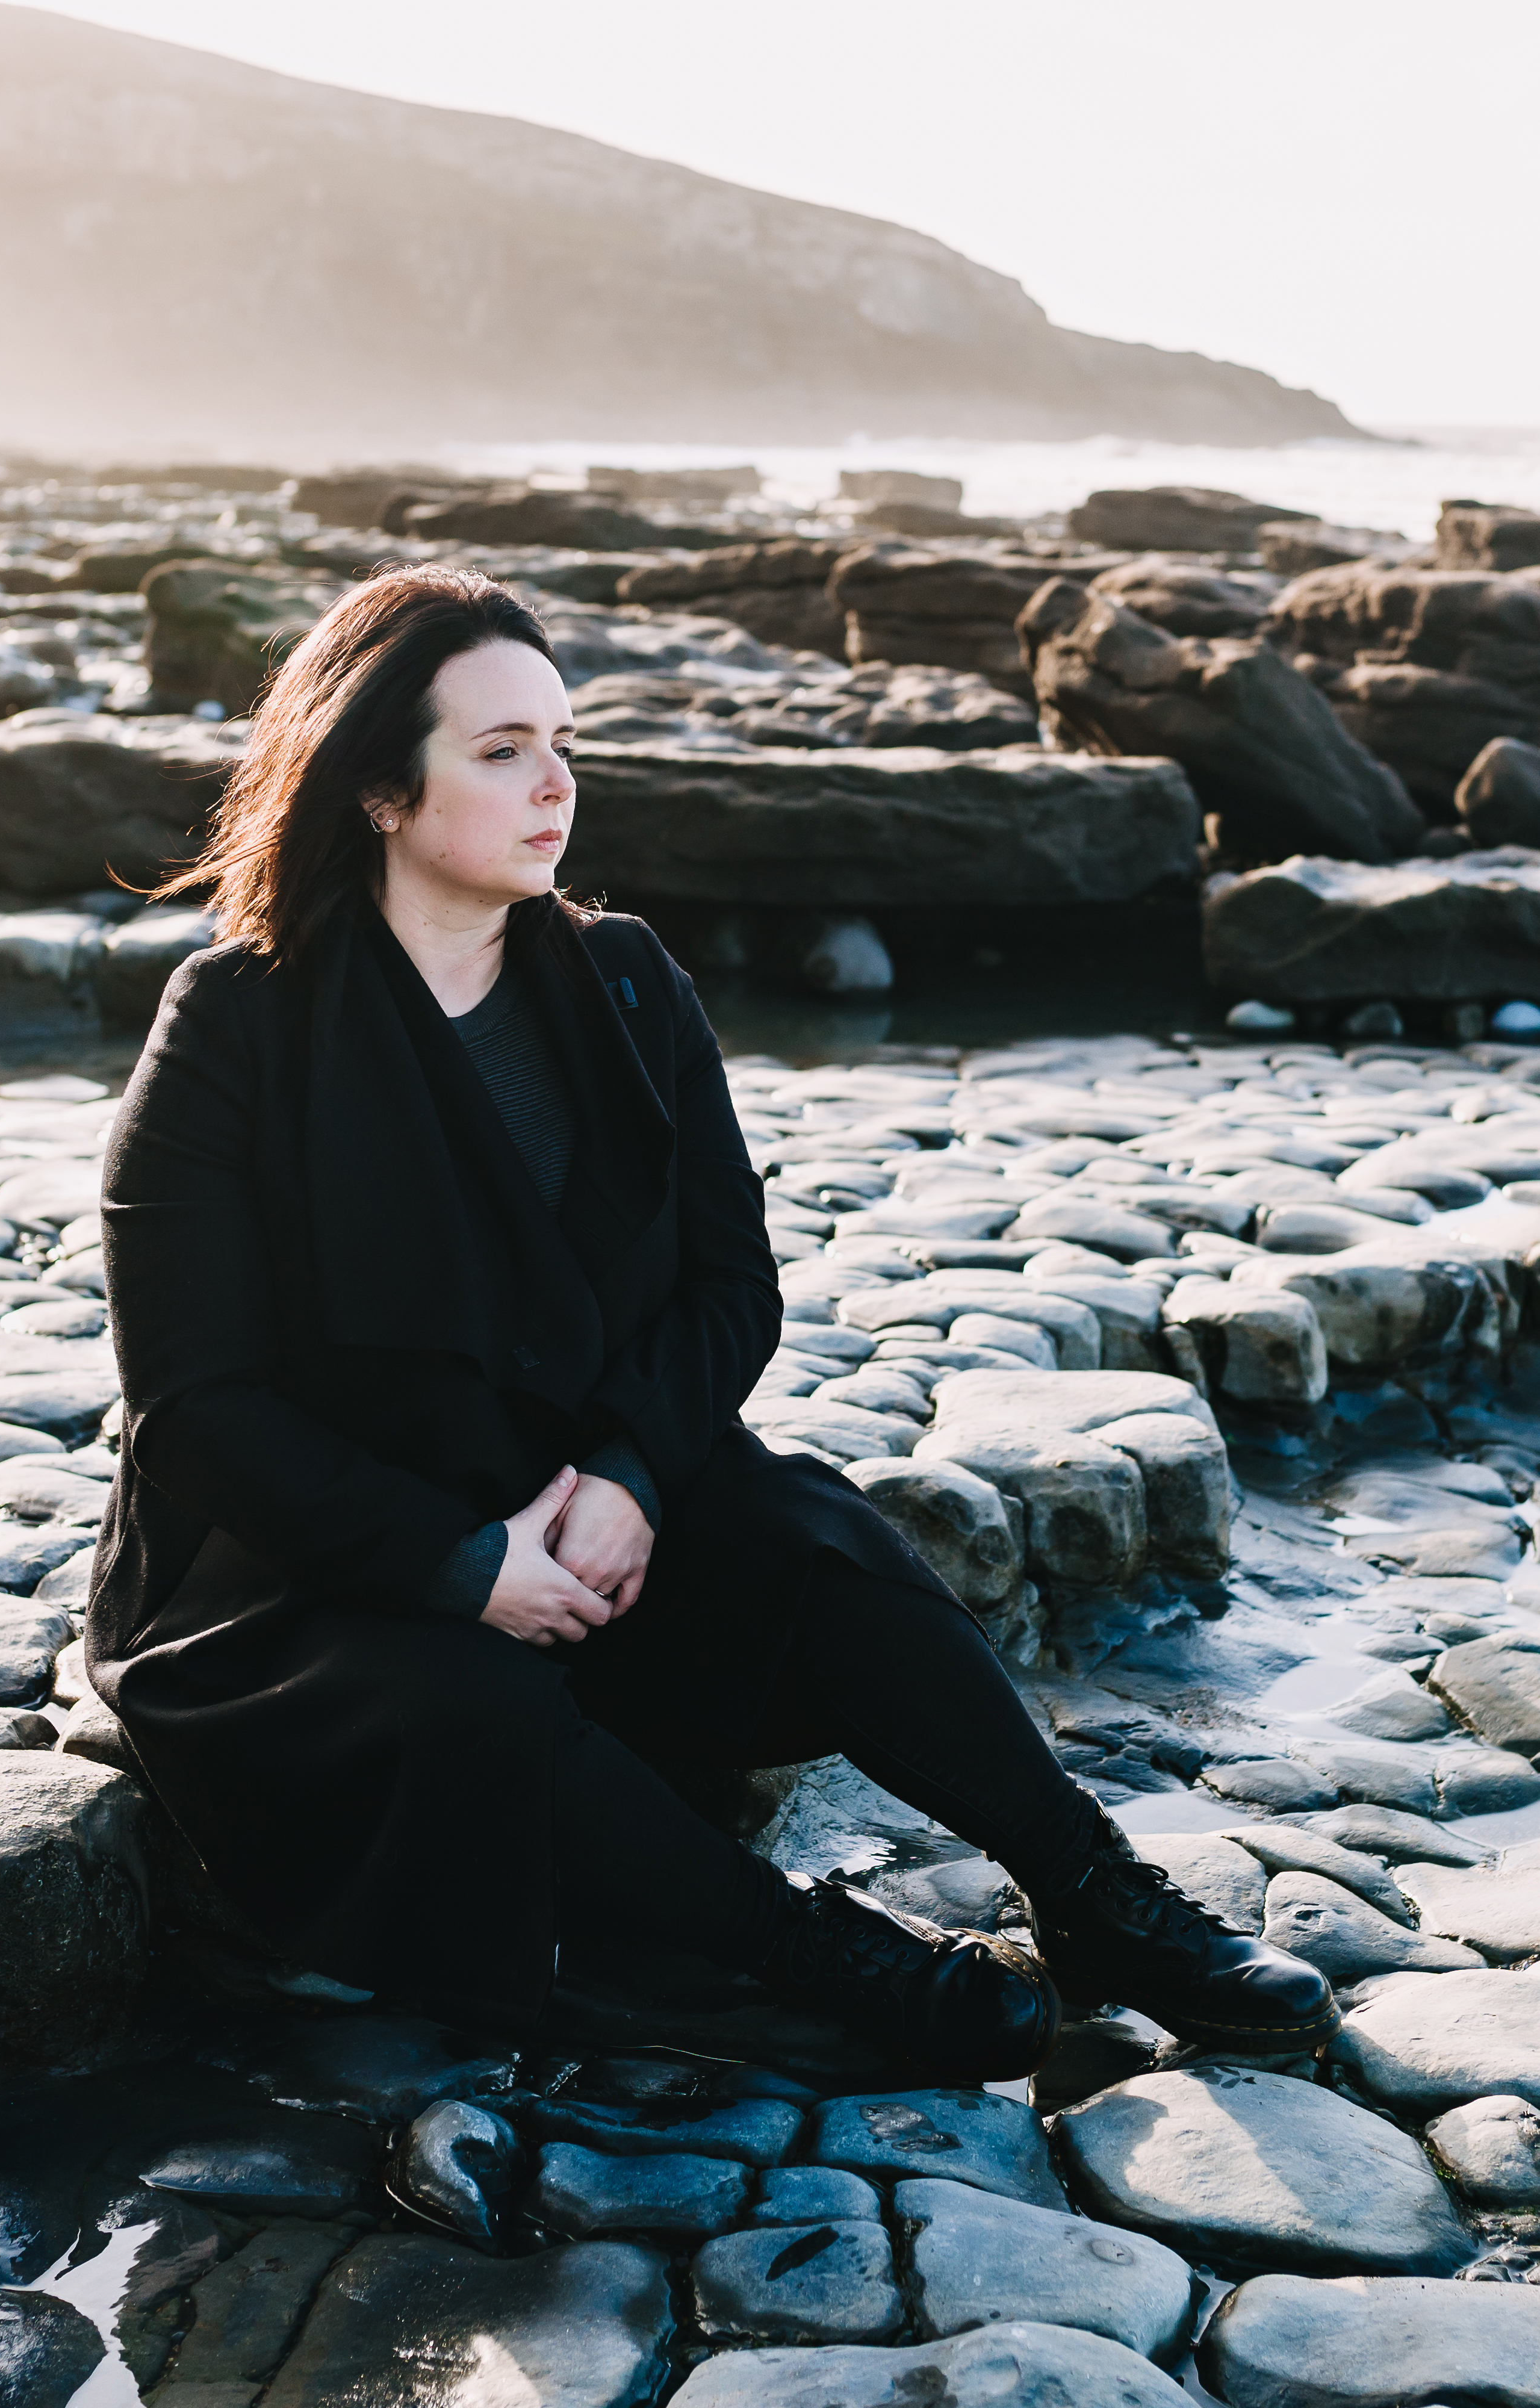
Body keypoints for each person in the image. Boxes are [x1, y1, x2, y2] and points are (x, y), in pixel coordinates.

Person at [85, 563, 1337, 2078]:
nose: (556, 784)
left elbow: (731, 1285)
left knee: (814, 1529)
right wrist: (457, 1561)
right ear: (377, 790)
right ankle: (800, 1949)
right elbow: (197, 1406)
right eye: (500, 751)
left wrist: (628, 1474)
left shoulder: (624, 982)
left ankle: (1091, 1888)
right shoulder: (237, 1023)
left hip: (585, 1504)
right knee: (458, 1698)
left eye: (563, 742)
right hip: (307, 1575)